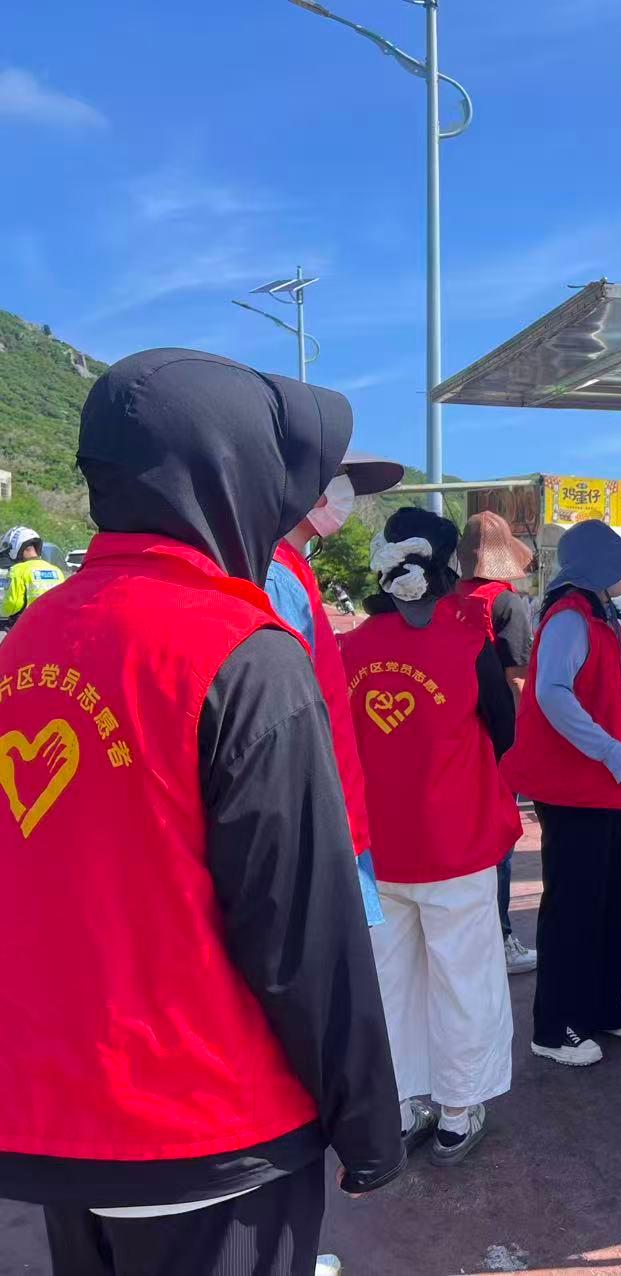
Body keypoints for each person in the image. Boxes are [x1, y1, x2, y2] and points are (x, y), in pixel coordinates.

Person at [0, 349, 402, 1275]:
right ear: (232, 473)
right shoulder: (240, 652)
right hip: (207, 1121)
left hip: (58, 1118)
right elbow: (302, 933)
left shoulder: (30, 640)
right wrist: (368, 1123)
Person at [339, 508, 519, 1167]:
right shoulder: (467, 644)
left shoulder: (347, 650)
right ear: (445, 569)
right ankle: (457, 1112)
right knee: (462, 979)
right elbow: (505, 732)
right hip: (456, 844)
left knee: (389, 981)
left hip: (375, 851)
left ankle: (398, 1106)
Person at [504, 519, 621, 1068]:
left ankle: (600, 1004)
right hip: (576, 787)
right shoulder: (570, 615)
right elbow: (551, 693)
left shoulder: (599, 613)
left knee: (607, 899)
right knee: (572, 905)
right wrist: (612, 751)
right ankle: (554, 1026)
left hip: (604, 786)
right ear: (597, 562)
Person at [265, 451, 405, 937]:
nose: (343, 494)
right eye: (338, 477)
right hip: (318, 822)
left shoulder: (291, 569)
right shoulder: (276, 577)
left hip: (334, 809)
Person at [455, 510, 538, 975]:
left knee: (464, 838)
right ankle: (501, 937)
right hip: (498, 740)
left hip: (454, 736)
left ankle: (469, 936)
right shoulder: (506, 603)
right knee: (499, 839)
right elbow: (517, 680)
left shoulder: (448, 599)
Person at [0, 526, 64, 628]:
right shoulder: (56, 571)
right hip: (54, 625)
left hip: (28, 626)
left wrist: (3, 611)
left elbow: (13, 604)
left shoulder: (18, 570)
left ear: (16, 546)